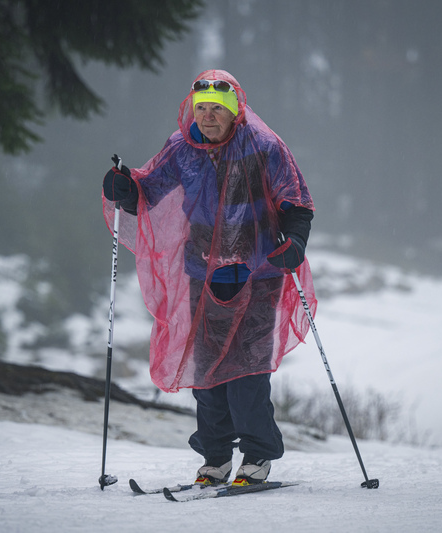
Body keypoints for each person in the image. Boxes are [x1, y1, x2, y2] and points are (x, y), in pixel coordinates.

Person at [102, 69, 316, 486]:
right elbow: (149, 190)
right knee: (207, 371)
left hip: (258, 270)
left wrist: (295, 239)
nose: (208, 117)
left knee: (247, 370)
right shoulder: (181, 147)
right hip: (203, 268)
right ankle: (215, 457)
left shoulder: (264, 146)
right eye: (202, 109)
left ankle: (257, 455)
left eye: (217, 109)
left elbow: (297, 202)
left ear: (234, 112)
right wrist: (125, 189)